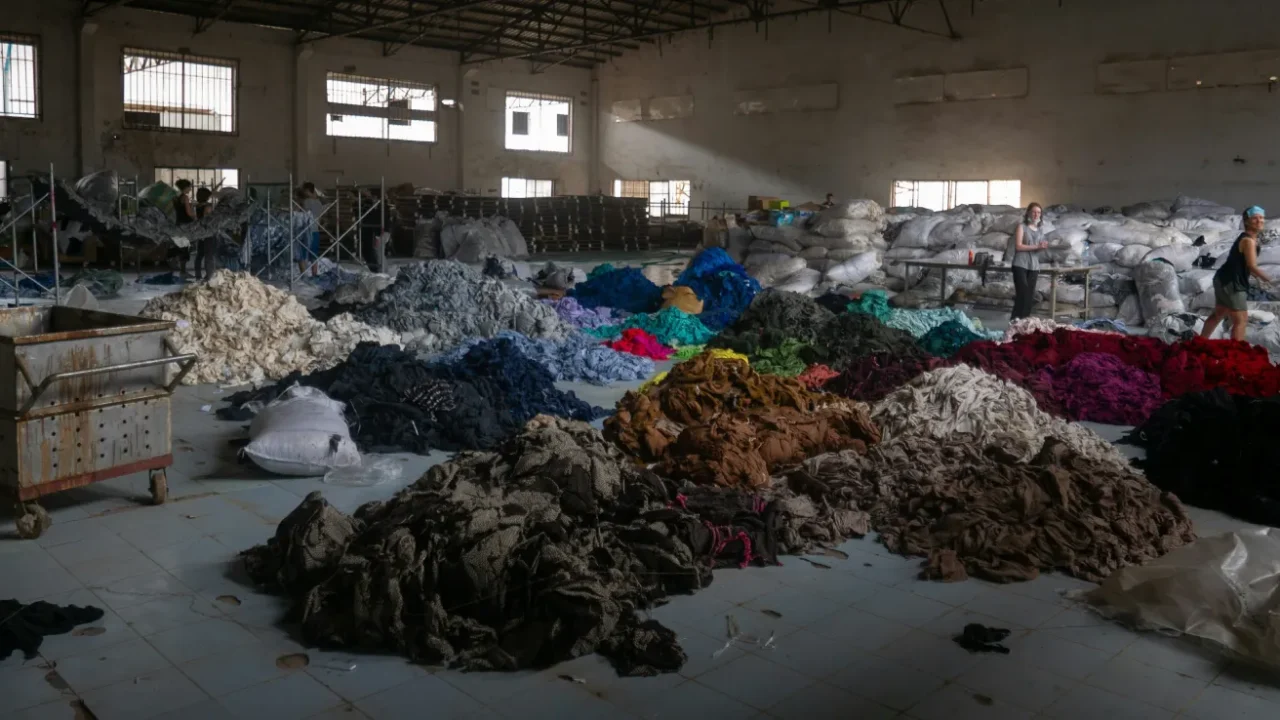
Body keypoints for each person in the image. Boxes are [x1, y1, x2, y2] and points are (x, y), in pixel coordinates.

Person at [1201, 206, 1273, 341]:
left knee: (1219, 313)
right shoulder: (1248, 241)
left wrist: (1258, 280)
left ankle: (1199, 342)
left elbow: (1242, 264)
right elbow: (1252, 266)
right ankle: (1236, 353)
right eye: (1255, 218)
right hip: (1232, 283)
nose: (1259, 221)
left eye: (1261, 217)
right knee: (1241, 320)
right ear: (1246, 222)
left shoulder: (1247, 238)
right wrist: (1269, 279)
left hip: (1223, 279)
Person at [1008, 202, 1049, 320]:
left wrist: (1042, 246)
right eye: (1034, 212)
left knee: (1030, 298)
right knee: (1022, 295)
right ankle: (1014, 323)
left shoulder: (1040, 230)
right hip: (1020, 264)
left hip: (1034, 266)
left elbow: (1038, 249)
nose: (1036, 215)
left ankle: (1024, 324)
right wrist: (1037, 246)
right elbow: (1018, 246)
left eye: (1039, 212)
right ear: (1028, 213)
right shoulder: (1022, 227)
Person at [170, 179, 196, 278]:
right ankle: (183, 271)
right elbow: (189, 213)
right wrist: (196, 216)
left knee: (182, 247)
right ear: (185, 187)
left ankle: (182, 270)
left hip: (179, 224)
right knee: (186, 248)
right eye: (190, 187)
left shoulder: (175, 197)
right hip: (186, 225)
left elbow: (179, 211)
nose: (190, 189)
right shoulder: (185, 197)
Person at [358, 188, 384, 273]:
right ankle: (374, 269)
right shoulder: (369, 204)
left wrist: (377, 235)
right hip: (366, 229)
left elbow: (377, 219)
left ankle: (376, 269)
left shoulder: (376, 206)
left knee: (371, 251)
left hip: (371, 230)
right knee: (367, 251)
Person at [193, 187, 216, 281]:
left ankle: (198, 275)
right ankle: (210, 276)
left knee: (200, 254)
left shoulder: (198, 206)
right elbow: (209, 219)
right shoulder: (207, 206)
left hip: (200, 232)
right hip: (208, 232)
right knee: (209, 255)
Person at [300, 182, 323, 277]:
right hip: (315, 230)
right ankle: (314, 274)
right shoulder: (319, 203)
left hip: (306, 230)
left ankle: (303, 275)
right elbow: (320, 218)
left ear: (307, 190)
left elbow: (302, 215)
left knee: (302, 254)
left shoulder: (306, 202)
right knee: (314, 254)